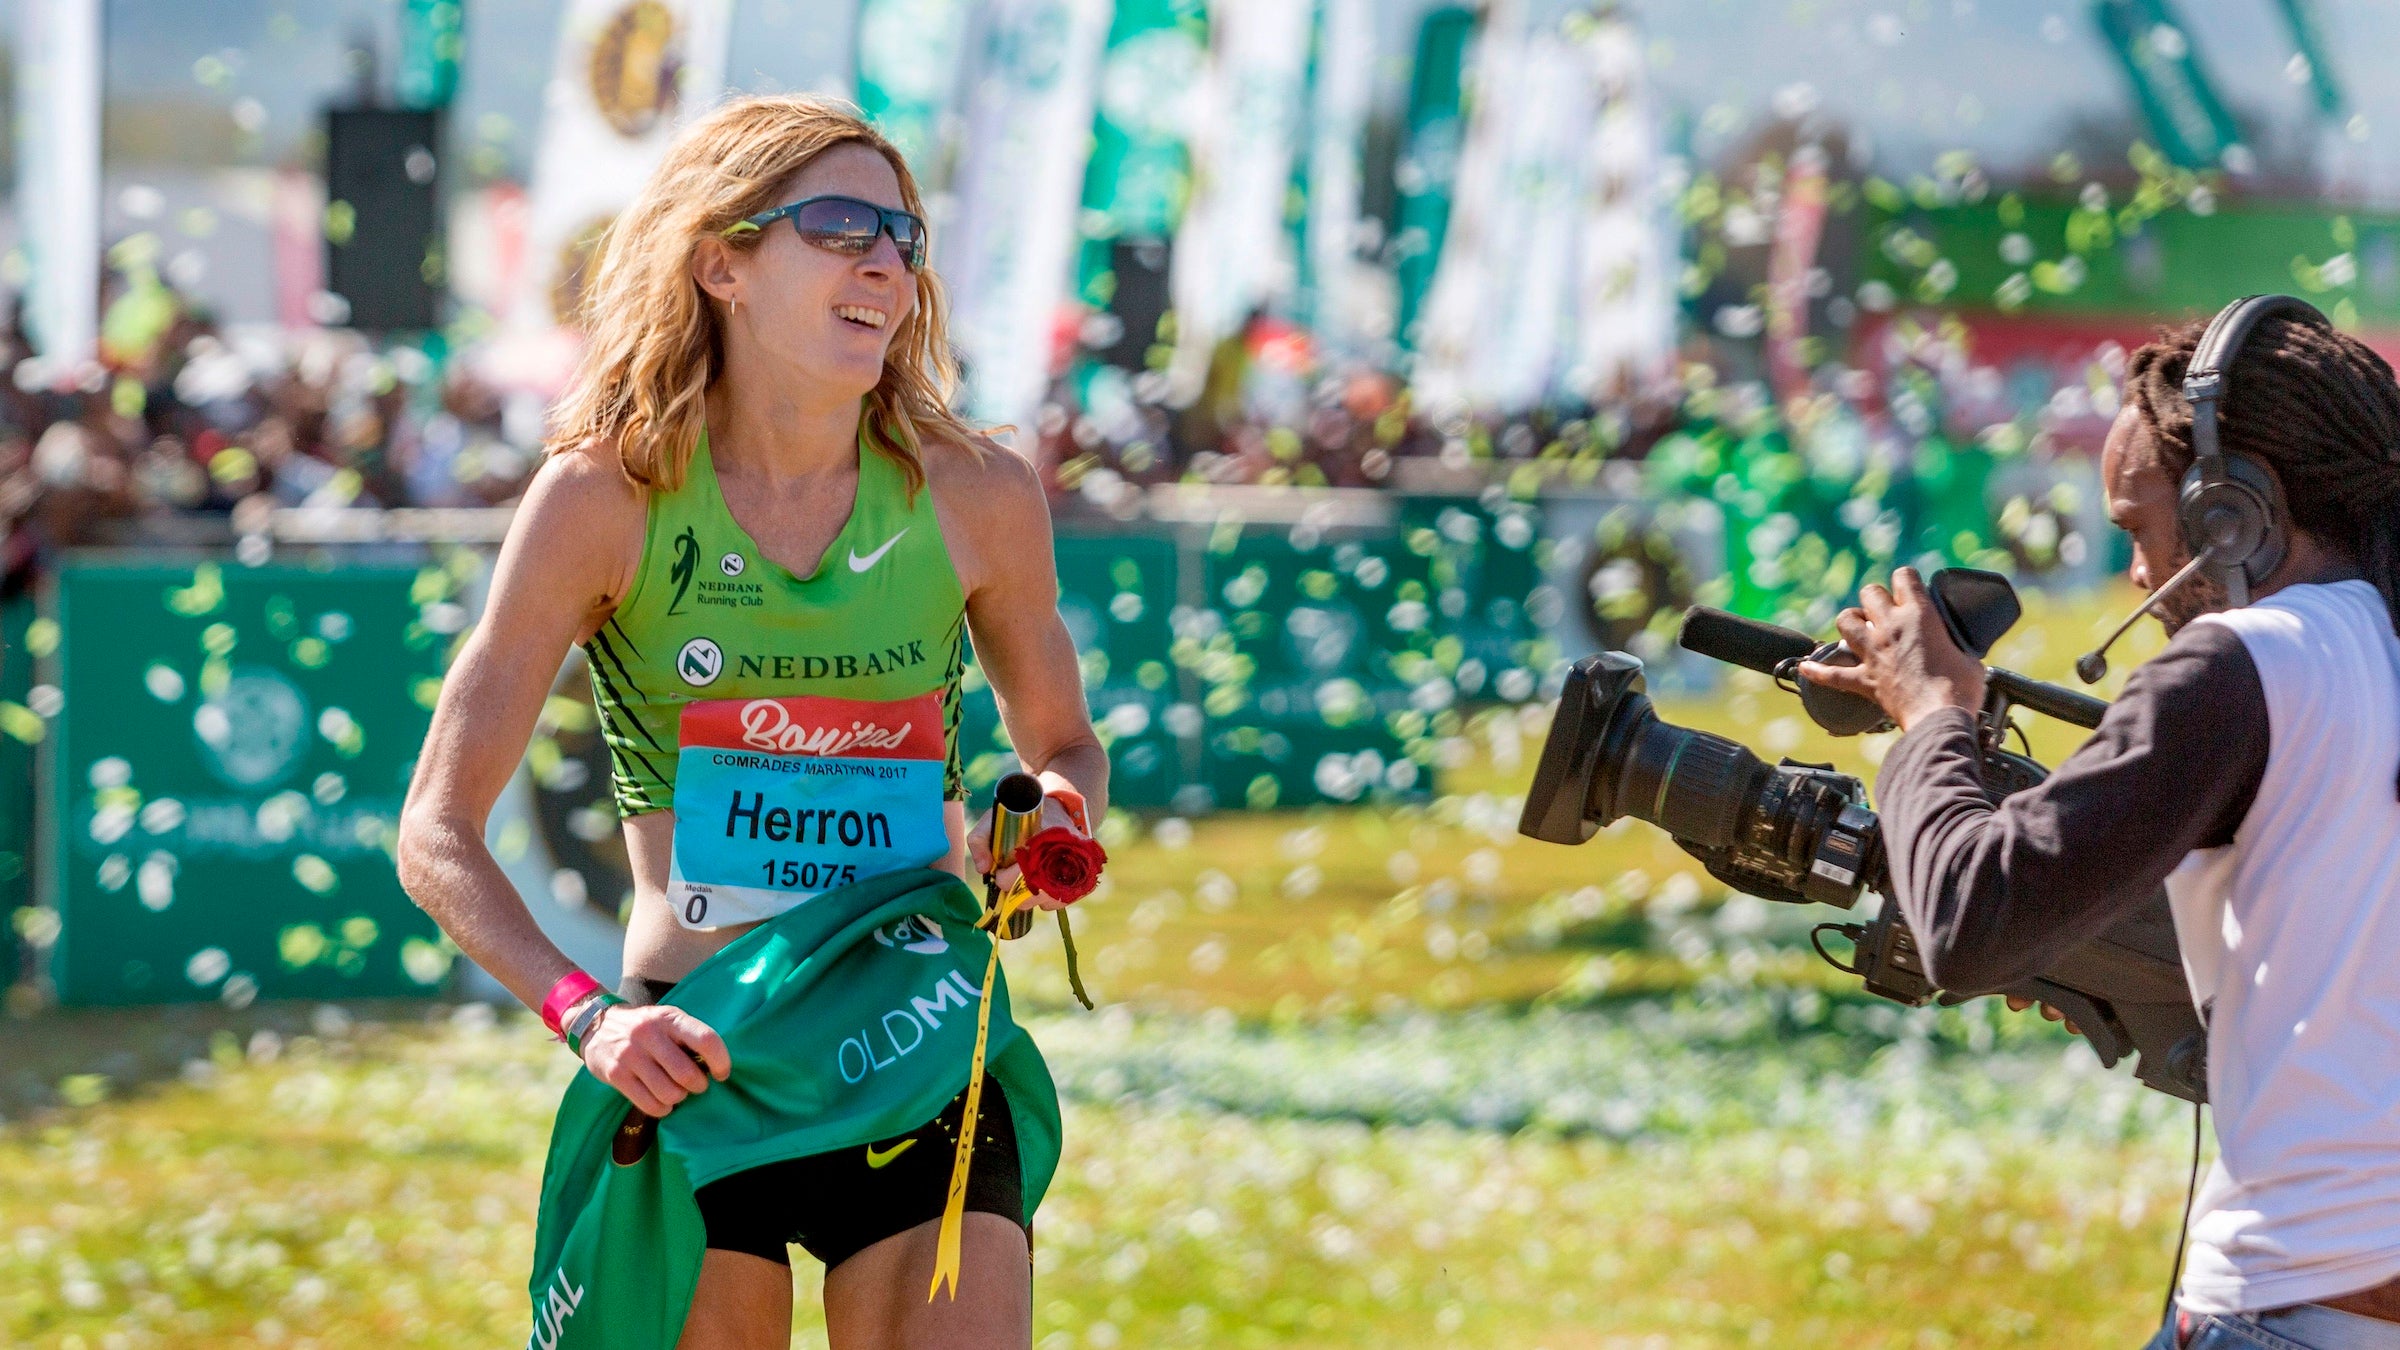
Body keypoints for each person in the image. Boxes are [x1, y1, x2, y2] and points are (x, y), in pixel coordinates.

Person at [396, 95, 1106, 1350]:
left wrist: (1052, 812)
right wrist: (588, 1017)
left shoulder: (979, 493)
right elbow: (436, 832)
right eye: (839, 227)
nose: (884, 261)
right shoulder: (602, 497)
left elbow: (1065, 745)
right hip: (699, 1045)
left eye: (903, 233)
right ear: (721, 261)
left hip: (917, 1029)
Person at [1800, 304, 2400, 1349]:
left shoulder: (2246, 666)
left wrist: (1933, 711)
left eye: (2137, 527)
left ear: (2233, 511)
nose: (2134, 577)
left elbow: (1969, 921)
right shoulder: (2366, 652)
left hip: (2291, 1308)